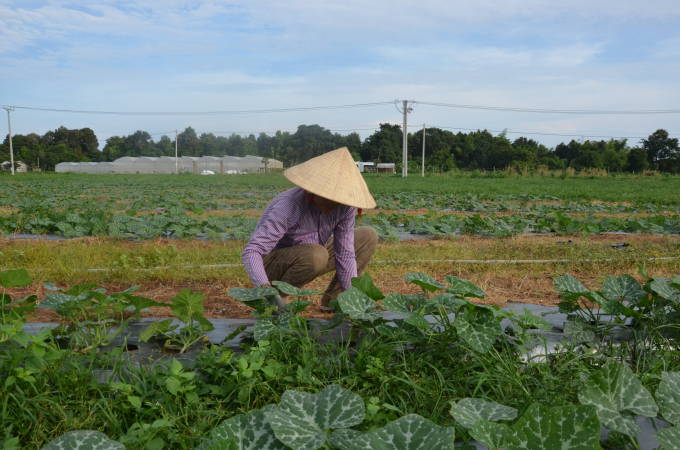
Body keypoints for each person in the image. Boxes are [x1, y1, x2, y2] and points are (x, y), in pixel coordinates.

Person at [241, 147, 378, 312]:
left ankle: (337, 300)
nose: (335, 204)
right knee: (317, 254)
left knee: (367, 236)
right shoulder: (290, 205)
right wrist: (266, 289)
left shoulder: (344, 207)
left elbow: (345, 254)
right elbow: (252, 250)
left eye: (339, 199)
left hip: (313, 253)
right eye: (329, 196)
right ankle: (279, 296)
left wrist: (353, 300)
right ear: (312, 189)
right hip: (274, 262)